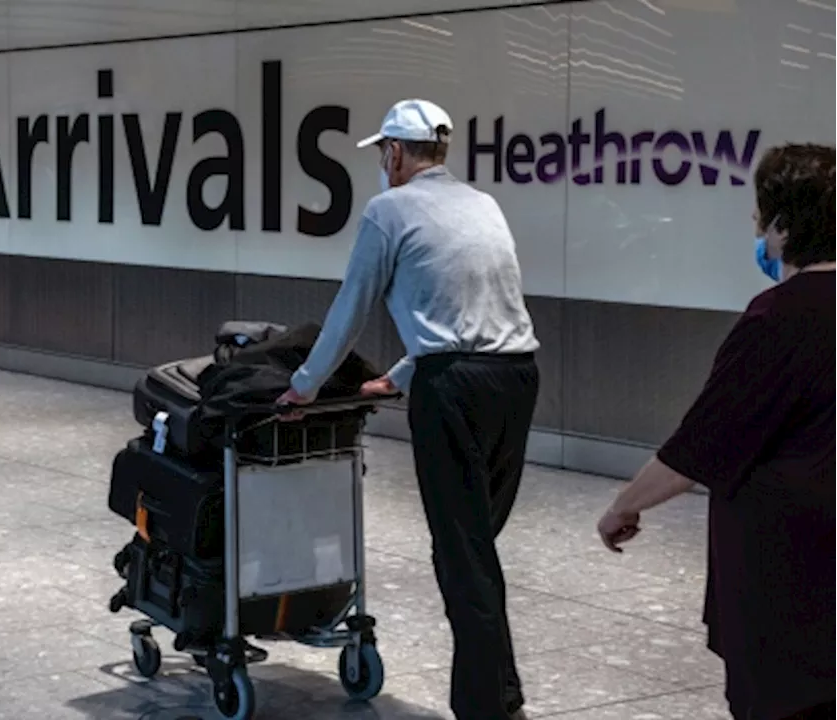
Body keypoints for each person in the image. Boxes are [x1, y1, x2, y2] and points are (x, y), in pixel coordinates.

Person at [276, 99, 541, 720]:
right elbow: (476, 308)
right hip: (518, 378)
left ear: (394, 152)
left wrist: (306, 385)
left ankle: (490, 707)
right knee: (473, 545)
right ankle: (499, 694)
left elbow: (352, 306)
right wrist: (398, 376)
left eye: (381, 154)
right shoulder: (484, 205)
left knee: (462, 551)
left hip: (455, 390)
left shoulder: (387, 210)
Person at [596, 143, 837, 720]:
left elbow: (702, 445)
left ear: (784, 223)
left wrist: (623, 506)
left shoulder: (779, 317)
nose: (757, 228)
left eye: (761, 215)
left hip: (790, 578)